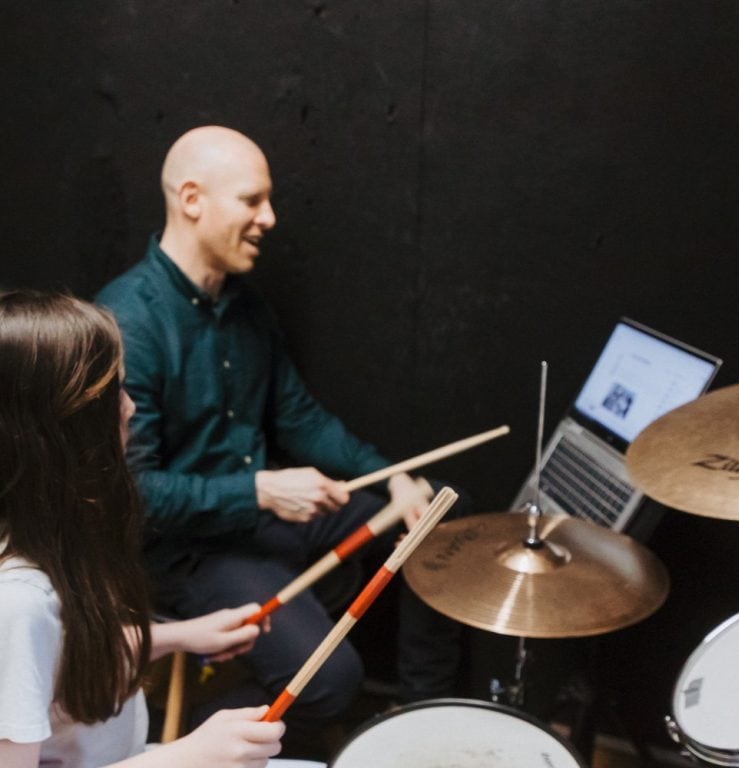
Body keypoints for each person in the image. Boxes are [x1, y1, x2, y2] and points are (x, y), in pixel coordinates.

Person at [95, 125, 466, 744]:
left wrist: (398, 475)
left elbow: (300, 419)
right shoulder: (127, 321)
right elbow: (131, 497)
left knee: (434, 522)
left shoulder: (246, 307)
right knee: (330, 681)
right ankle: (190, 743)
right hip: (182, 553)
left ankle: (420, 721)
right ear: (192, 200)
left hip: (256, 522)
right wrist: (261, 492)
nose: (269, 218)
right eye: (251, 200)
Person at [0, 291, 285, 768]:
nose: (130, 408)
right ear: (59, 430)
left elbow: (62, 655)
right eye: (114, 393)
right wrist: (189, 756)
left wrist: (182, 635)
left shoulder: (51, 543)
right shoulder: (18, 602)